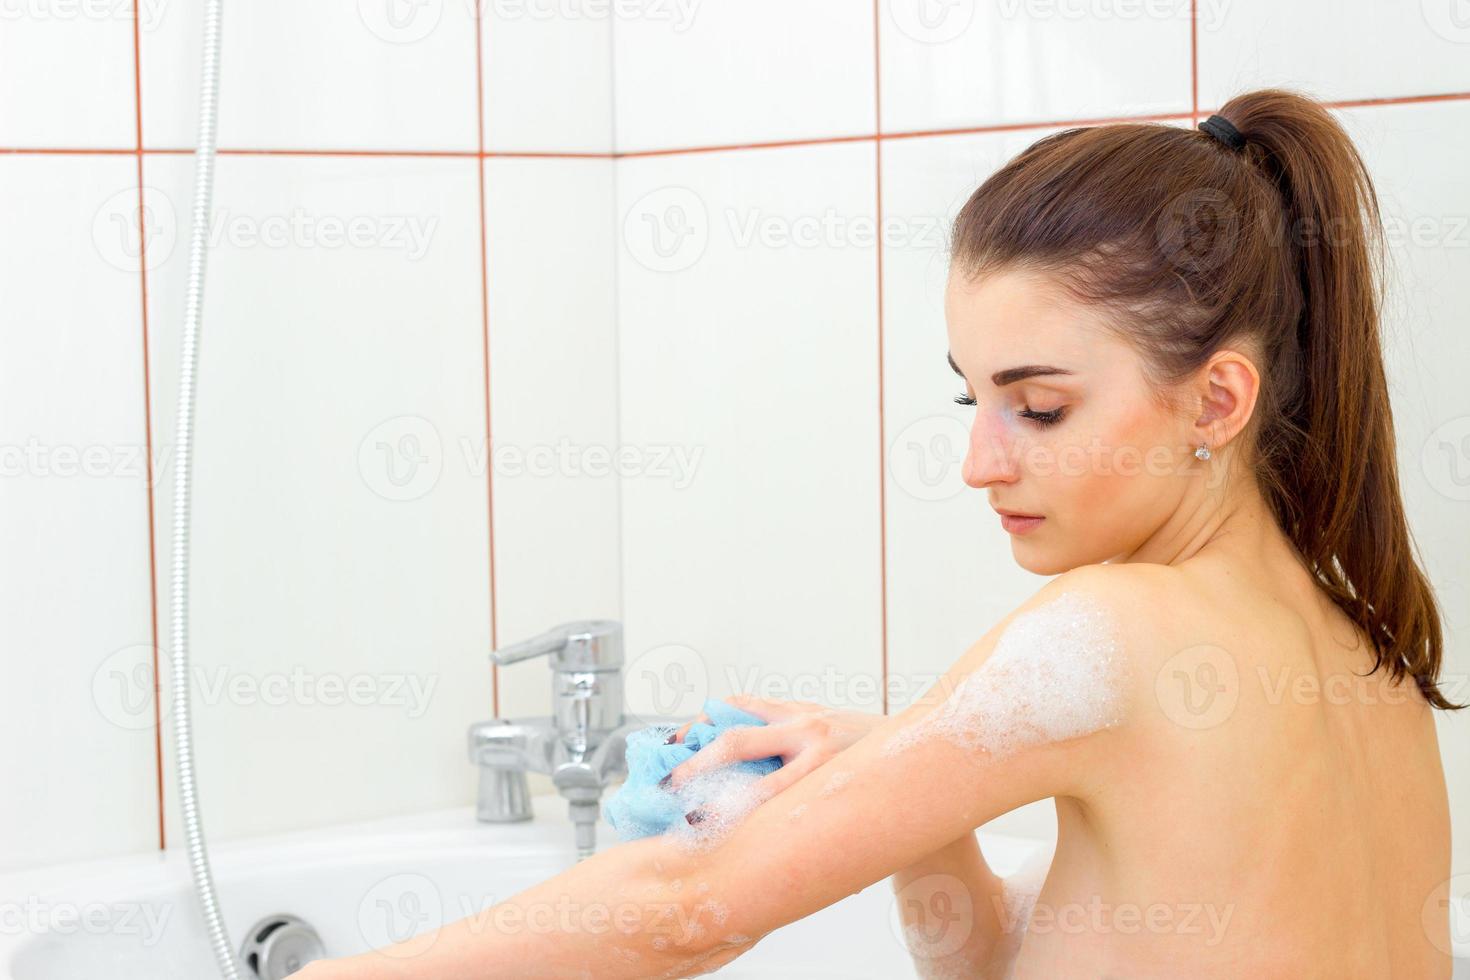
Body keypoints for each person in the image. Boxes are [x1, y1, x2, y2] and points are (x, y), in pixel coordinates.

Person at [299, 88, 1460, 979]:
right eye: (975, 400)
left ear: (1217, 400)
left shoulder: (1117, 632)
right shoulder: (1373, 659)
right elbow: (1006, 954)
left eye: (1041, 407)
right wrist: (910, 792)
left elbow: (680, 913)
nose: (980, 461)